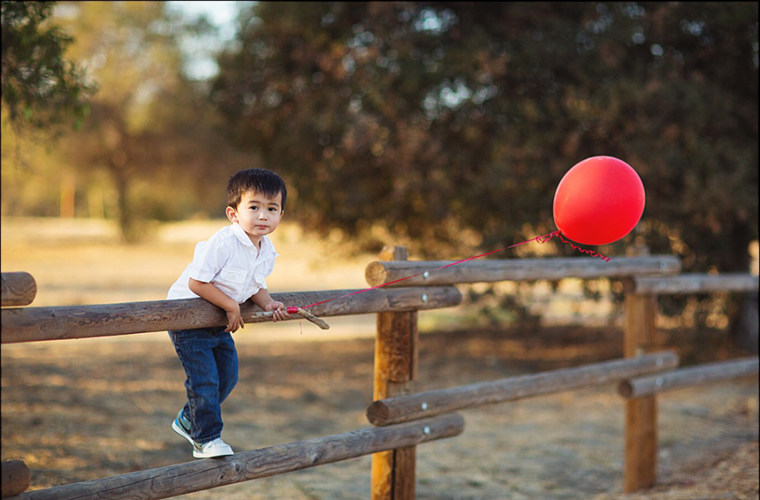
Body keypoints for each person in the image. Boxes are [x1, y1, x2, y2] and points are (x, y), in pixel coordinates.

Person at [166, 168, 289, 458]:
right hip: (190, 319)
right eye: (254, 207)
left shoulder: (266, 249)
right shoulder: (223, 242)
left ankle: (187, 419)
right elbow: (197, 282)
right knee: (205, 380)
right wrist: (231, 305)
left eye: (272, 209)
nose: (263, 216)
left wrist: (268, 302)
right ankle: (205, 439)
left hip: (218, 324)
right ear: (233, 214)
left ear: (281, 215)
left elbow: (254, 285)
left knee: (228, 376)